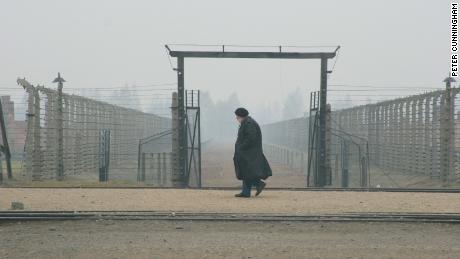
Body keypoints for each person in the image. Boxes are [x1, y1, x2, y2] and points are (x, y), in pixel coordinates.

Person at [233, 107, 272, 198]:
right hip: (248, 152)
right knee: (246, 171)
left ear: (242, 116)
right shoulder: (246, 122)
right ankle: (246, 192)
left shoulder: (249, 123)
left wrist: (241, 147)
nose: (236, 118)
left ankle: (258, 184)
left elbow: (250, 139)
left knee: (248, 171)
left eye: (237, 116)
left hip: (249, 153)